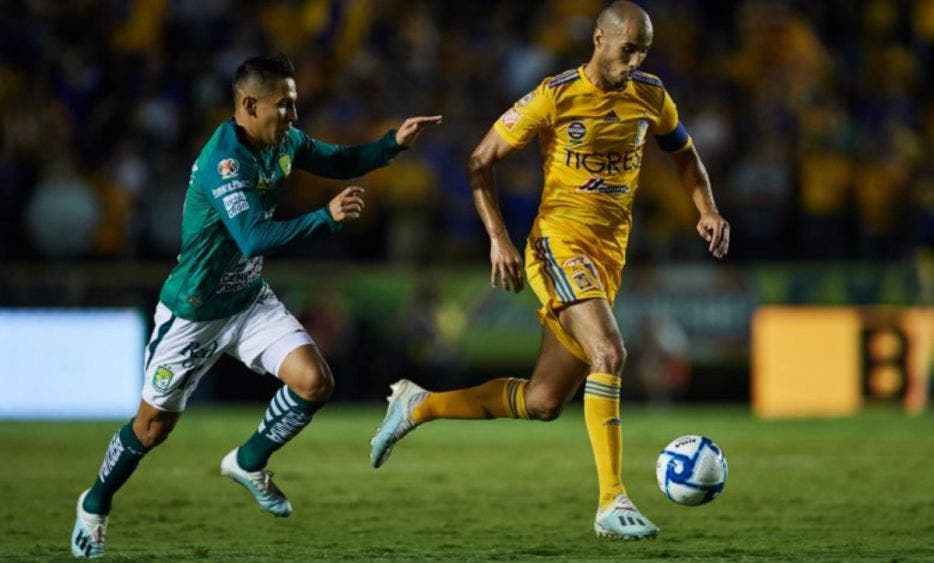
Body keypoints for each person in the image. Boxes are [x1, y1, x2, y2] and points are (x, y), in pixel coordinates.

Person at [370, 1, 729, 541]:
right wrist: (499, 239)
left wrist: (707, 209)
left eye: (643, 52)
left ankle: (419, 405)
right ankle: (612, 500)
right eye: (628, 49)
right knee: (610, 353)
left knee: (542, 402)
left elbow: (684, 155)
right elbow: (480, 160)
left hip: (607, 259)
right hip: (557, 246)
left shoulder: (652, 95)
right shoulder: (554, 95)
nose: (635, 61)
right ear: (599, 39)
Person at [70, 53, 441, 558]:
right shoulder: (225, 161)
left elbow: (337, 161)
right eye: (283, 105)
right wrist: (326, 217)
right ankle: (94, 504)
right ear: (249, 105)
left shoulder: (283, 141)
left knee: (314, 382)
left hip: (247, 301)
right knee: (151, 428)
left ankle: (248, 460)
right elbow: (252, 237)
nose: (292, 115)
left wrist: (392, 143)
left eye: (294, 103)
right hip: (194, 313)